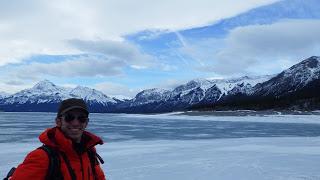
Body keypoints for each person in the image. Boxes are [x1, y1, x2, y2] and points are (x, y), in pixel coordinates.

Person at [10, 98, 106, 180]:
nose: (76, 123)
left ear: (86, 122)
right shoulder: (43, 157)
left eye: (82, 118)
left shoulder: (89, 152)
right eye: (69, 117)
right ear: (58, 121)